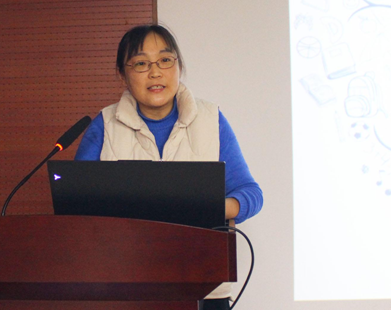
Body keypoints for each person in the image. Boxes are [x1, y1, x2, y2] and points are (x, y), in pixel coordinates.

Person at [75, 24, 263, 310]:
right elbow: (76, 207)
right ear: (123, 75)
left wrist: (200, 206)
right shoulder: (104, 125)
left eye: (165, 60)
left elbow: (250, 194)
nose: (155, 72)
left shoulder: (211, 119)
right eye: (141, 63)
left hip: (204, 288)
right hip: (124, 288)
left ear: (178, 66)